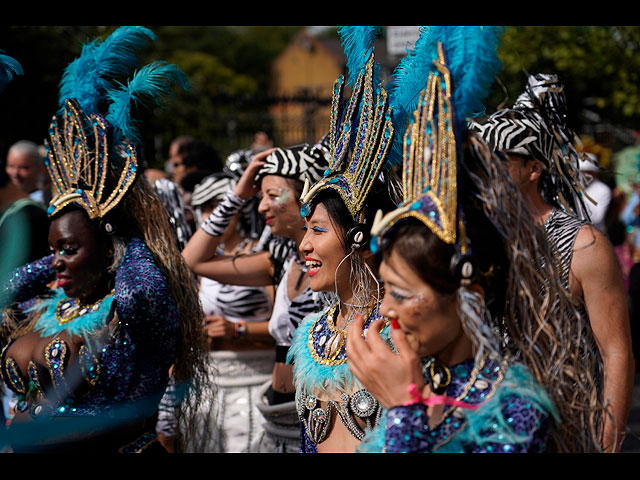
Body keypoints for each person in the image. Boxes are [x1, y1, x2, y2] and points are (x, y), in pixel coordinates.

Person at [347, 26, 605, 453]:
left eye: (401, 292)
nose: (386, 309)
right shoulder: (410, 380)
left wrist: (404, 412)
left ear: (470, 297)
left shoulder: (515, 410)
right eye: (387, 290)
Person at [0, 26, 207, 453]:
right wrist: (61, 256)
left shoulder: (133, 305)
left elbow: (142, 284)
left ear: (110, 245)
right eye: (53, 249)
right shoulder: (53, 306)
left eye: (70, 249)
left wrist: (123, 233)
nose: (55, 261)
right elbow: (10, 286)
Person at [471, 72, 634, 452]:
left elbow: (616, 352)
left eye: (500, 160)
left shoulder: (584, 245)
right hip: (481, 431)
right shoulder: (472, 241)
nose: (487, 172)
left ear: (533, 168)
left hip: (562, 434)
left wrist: (607, 445)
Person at [286, 26, 403, 453]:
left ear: (358, 237)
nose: (303, 245)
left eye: (317, 231)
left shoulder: (402, 332)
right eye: (305, 231)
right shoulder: (311, 334)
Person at [182, 138, 330, 452]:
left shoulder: (337, 268)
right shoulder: (280, 261)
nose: (261, 206)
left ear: (307, 195)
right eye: (259, 197)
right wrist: (237, 194)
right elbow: (193, 261)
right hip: (276, 413)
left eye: (272, 196)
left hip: (318, 420)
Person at [183, 172, 276, 452]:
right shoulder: (201, 265)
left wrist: (238, 329)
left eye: (218, 206)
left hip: (255, 383)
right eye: (206, 208)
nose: (212, 215)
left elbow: (289, 327)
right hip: (208, 388)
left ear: (237, 211)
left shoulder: (263, 253)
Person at [5, 140, 49, 207]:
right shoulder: (5, 201)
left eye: (23, 168)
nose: (15, 173)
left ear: (41, 168)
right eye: (11, 166)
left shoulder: (46, 202)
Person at [580, 152, 612, 234]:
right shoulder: (572, 187)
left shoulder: (603, 190)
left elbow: (596, 218)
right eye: (581, 172)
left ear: (595, 173)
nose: (584, 175)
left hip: (595, 234)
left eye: (587, 172)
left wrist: (576, 198)